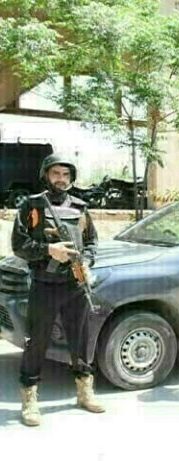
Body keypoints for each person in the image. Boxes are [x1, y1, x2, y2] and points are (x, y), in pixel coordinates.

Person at [12, 154, 105, 427]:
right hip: (44, 285)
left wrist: (86, 262)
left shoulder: (80, 207)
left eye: (66, 175)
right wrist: (48, 250)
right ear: (46, 175)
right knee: (37, 342)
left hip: (75, 286)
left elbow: (91, 242)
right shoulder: (32, 206)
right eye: (56, 174)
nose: (61, 179)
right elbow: (19, 245)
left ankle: (84, 392)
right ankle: (29, 400)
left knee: (81, 341)